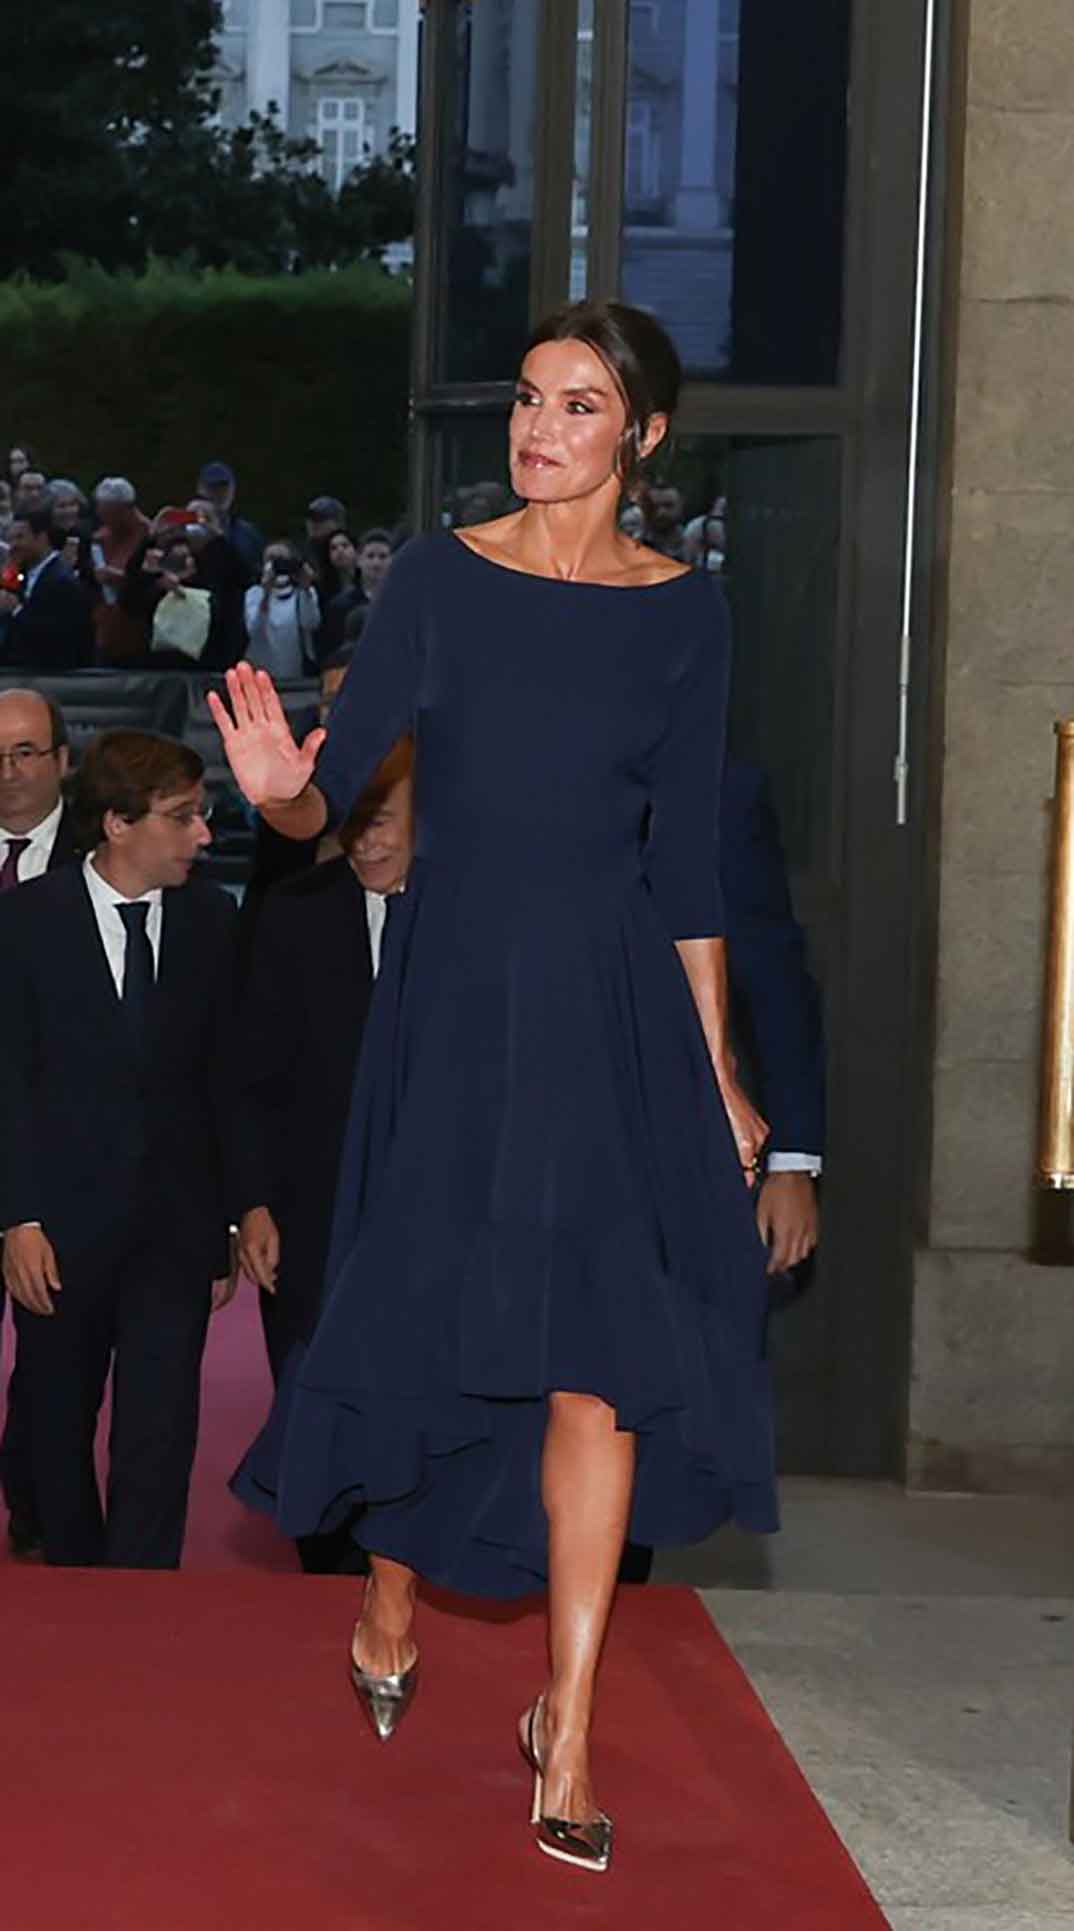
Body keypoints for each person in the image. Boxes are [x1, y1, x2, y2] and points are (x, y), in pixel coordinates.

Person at [210, 299, 772, 1874]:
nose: (538, 427)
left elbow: (688, 864)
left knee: (601, 1364)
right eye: (528, 398)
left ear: (642, 436)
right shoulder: (443, 579)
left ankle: (570, 1723)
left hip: (614, 1018)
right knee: (433, 1316)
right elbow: (339, 786)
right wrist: (286, 796)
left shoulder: (686, 612)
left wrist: (720, 1071)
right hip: (455, 1004)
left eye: (578, 404)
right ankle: (394, 1578)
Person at [0, 730, 239, 1569]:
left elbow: (223, 1081)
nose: (203, 836)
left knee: (161, 1433)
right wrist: (17, 1215)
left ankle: (142, 1595)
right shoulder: (26, 921)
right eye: (181, 819)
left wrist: (228, 1224)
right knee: (56, 1421)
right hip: (60, 1228)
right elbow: (9, 1080)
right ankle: (70, 1578)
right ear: (117, 823)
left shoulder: (214, 919)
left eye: (201, 816)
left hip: (174, 1232)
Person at [233, 736, 414, 1573]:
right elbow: (252, 1073)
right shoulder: (296, 911)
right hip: (311, 1215)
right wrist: (254, 1204)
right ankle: (325, 1574)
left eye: (385, 825)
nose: (368, 844)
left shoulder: (473, 917)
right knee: (312, 1404)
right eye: (356, 827)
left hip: (433, 1218)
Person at [0, 689, 79, 1559]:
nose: (11, 774)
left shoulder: (109, 857)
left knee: (51, 1358)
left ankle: (31, 1493)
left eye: (26, 752)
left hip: (61, 1156)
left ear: (62, 759)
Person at [0, 507, 95, 669]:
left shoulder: (61, 581)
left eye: (20, 537)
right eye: (10, 539)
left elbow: (55, 638)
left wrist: (16, 610)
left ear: (42, 538)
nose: (13, 545)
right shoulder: (22, 574)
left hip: (52, 679)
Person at [92, 477, 151, 663]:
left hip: (137, 630)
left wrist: (118, 577)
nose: (105, 520)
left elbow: (151, 582)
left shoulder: (149, 537)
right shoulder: (101, 537)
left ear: (125, 510)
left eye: (109, 514)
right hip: (105, 627)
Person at [243, 541, 320, 680]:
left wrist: (306, 588)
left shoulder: (304, 592)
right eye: (272, 559)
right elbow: (253, 629)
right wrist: (265, 593)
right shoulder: (254, 593)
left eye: (283, 560)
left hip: (297, 673)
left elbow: (311, 623)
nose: (278, 565)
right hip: (263, 671)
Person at [196, 460, 264, 578]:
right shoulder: (188, 527)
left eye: (224, 487)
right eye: (212, 488)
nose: (219, 493)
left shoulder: (248, 532)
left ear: (233, 489)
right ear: (200, 489)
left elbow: (254, 573)